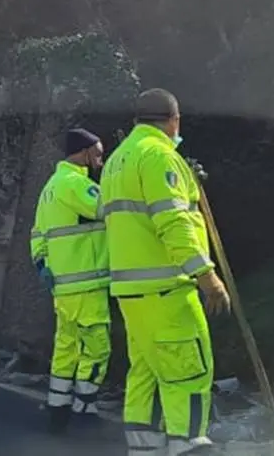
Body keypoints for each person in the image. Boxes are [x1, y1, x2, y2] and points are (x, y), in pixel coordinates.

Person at [100, 88, 230, 455]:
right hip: (168, 289)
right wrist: (207, 276)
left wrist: (189, 182)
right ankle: (188, 445)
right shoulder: (160, 156)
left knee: (145, 372)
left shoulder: (117, 160)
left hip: (131, 292)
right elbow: (173, 222)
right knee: (188, 372)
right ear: (174, 121)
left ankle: (144, 449)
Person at [30, 128, 111, 435]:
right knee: (97, 347)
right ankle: (86, 407)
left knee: (66, 347)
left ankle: (58, 407)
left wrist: (42, 265)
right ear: (85, 152)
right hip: (87, 284)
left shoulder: (50, 187)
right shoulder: (76, 184)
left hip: (63, 286)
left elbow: (37, 233)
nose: (101, 161)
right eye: (99, 154)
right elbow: (109, 209)